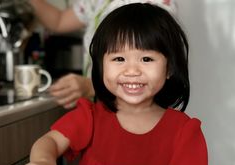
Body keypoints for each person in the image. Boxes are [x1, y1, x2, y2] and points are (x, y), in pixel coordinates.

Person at [20, 3, 208, 165]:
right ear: (100, 65)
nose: (132, 70)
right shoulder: (90, 117)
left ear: (170, 67)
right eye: (119, 58)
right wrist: (44, 164)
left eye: (147, 58)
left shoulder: (185, 129)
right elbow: (50, 142)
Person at [28, 0, 177, 109]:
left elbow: (151, 72)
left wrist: (91, 85)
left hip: (130, 109)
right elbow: (59, 21)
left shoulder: (155, 5)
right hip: (99, 104)